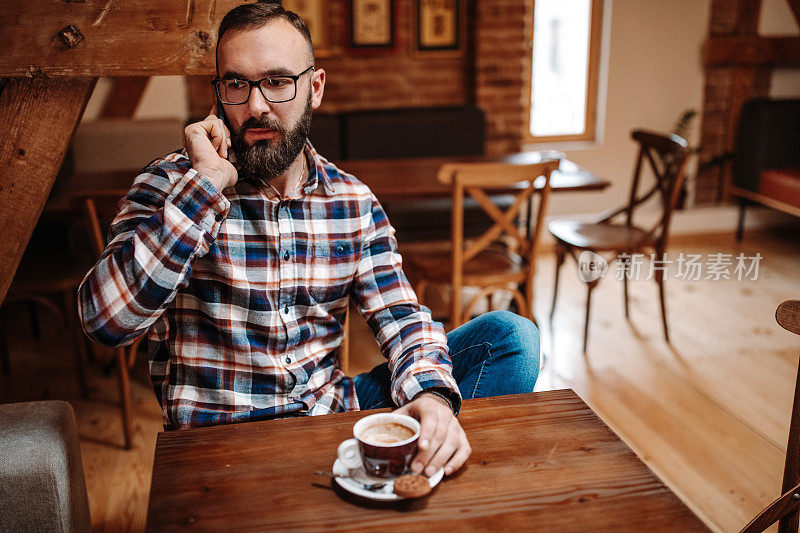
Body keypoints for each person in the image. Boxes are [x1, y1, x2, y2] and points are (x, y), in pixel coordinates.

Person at [78, 3, 540, 479]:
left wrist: (433, 397)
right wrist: (205, 187)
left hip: (329, 421)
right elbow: (105, 323)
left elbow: (402, 318)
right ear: (217, 95)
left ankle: (419, 476)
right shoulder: (171, 185)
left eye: (277, 82)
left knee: (511, 339)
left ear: (314, 88)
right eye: (237, 84)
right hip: (221, 446)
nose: (256, 105)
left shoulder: (352, 201)